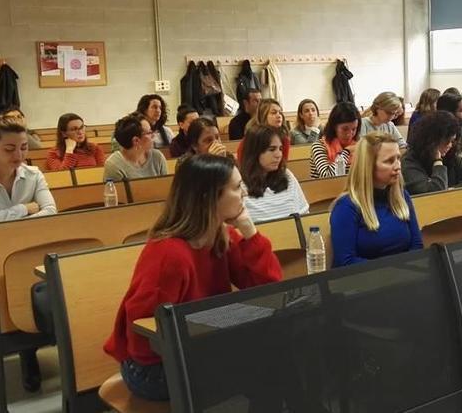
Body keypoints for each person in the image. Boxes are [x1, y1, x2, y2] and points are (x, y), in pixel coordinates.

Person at [104, 154, 283, 401]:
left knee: (280, 354)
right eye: (235, 187)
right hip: (152, 367)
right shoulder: (169, 254)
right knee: (264, 368)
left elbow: (269, 287)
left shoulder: (222, 235)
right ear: (209, 197)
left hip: (198, 346)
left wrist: (250, 231)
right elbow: (142, 338)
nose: (244, 192)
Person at [0, 115, 57, 392]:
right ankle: (24, 351)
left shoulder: (34, 175)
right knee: (12, 286)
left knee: (41, 281)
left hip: (24, 252)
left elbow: (51, 213)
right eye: (9, 149)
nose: (19, 155)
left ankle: (31, 341)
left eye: (23, 147)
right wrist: (25, 209)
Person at [330, 132, 423, 267]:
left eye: (398, 158)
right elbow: (345, 261)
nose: (398, 166)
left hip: (403, 277)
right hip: (364, 281)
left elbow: (417, 246)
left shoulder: (402, 197)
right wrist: (394, 271)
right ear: (369, 166)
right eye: (389, 161)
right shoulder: (346, 206)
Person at [402, 111, 462, 194]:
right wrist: (438, 162)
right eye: (446, 141)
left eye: (452, 141)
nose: (450, 145)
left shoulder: (451, 157)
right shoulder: (409, 161)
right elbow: (434, 194)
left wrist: (453, 189)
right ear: (431, 140)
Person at [241, 125, 309, 222]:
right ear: (255, 152)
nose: (278, 155)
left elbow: (304, 214)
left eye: (280, 149)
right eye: (272, 149)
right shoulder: (239, 184)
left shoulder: (287, 175)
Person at [104, 113, 168, 181]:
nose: (153, 135)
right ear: (136, 141)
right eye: (149, 133)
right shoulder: (114, 165)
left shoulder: (158, 157)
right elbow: (113, 191)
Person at [310, 102, 361, 179]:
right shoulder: (319, 146)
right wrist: (346, 152)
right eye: (345, 129)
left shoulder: (359, 145)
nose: (350, 134)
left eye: (354, 129)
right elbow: (327, 176)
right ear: (334, 127)